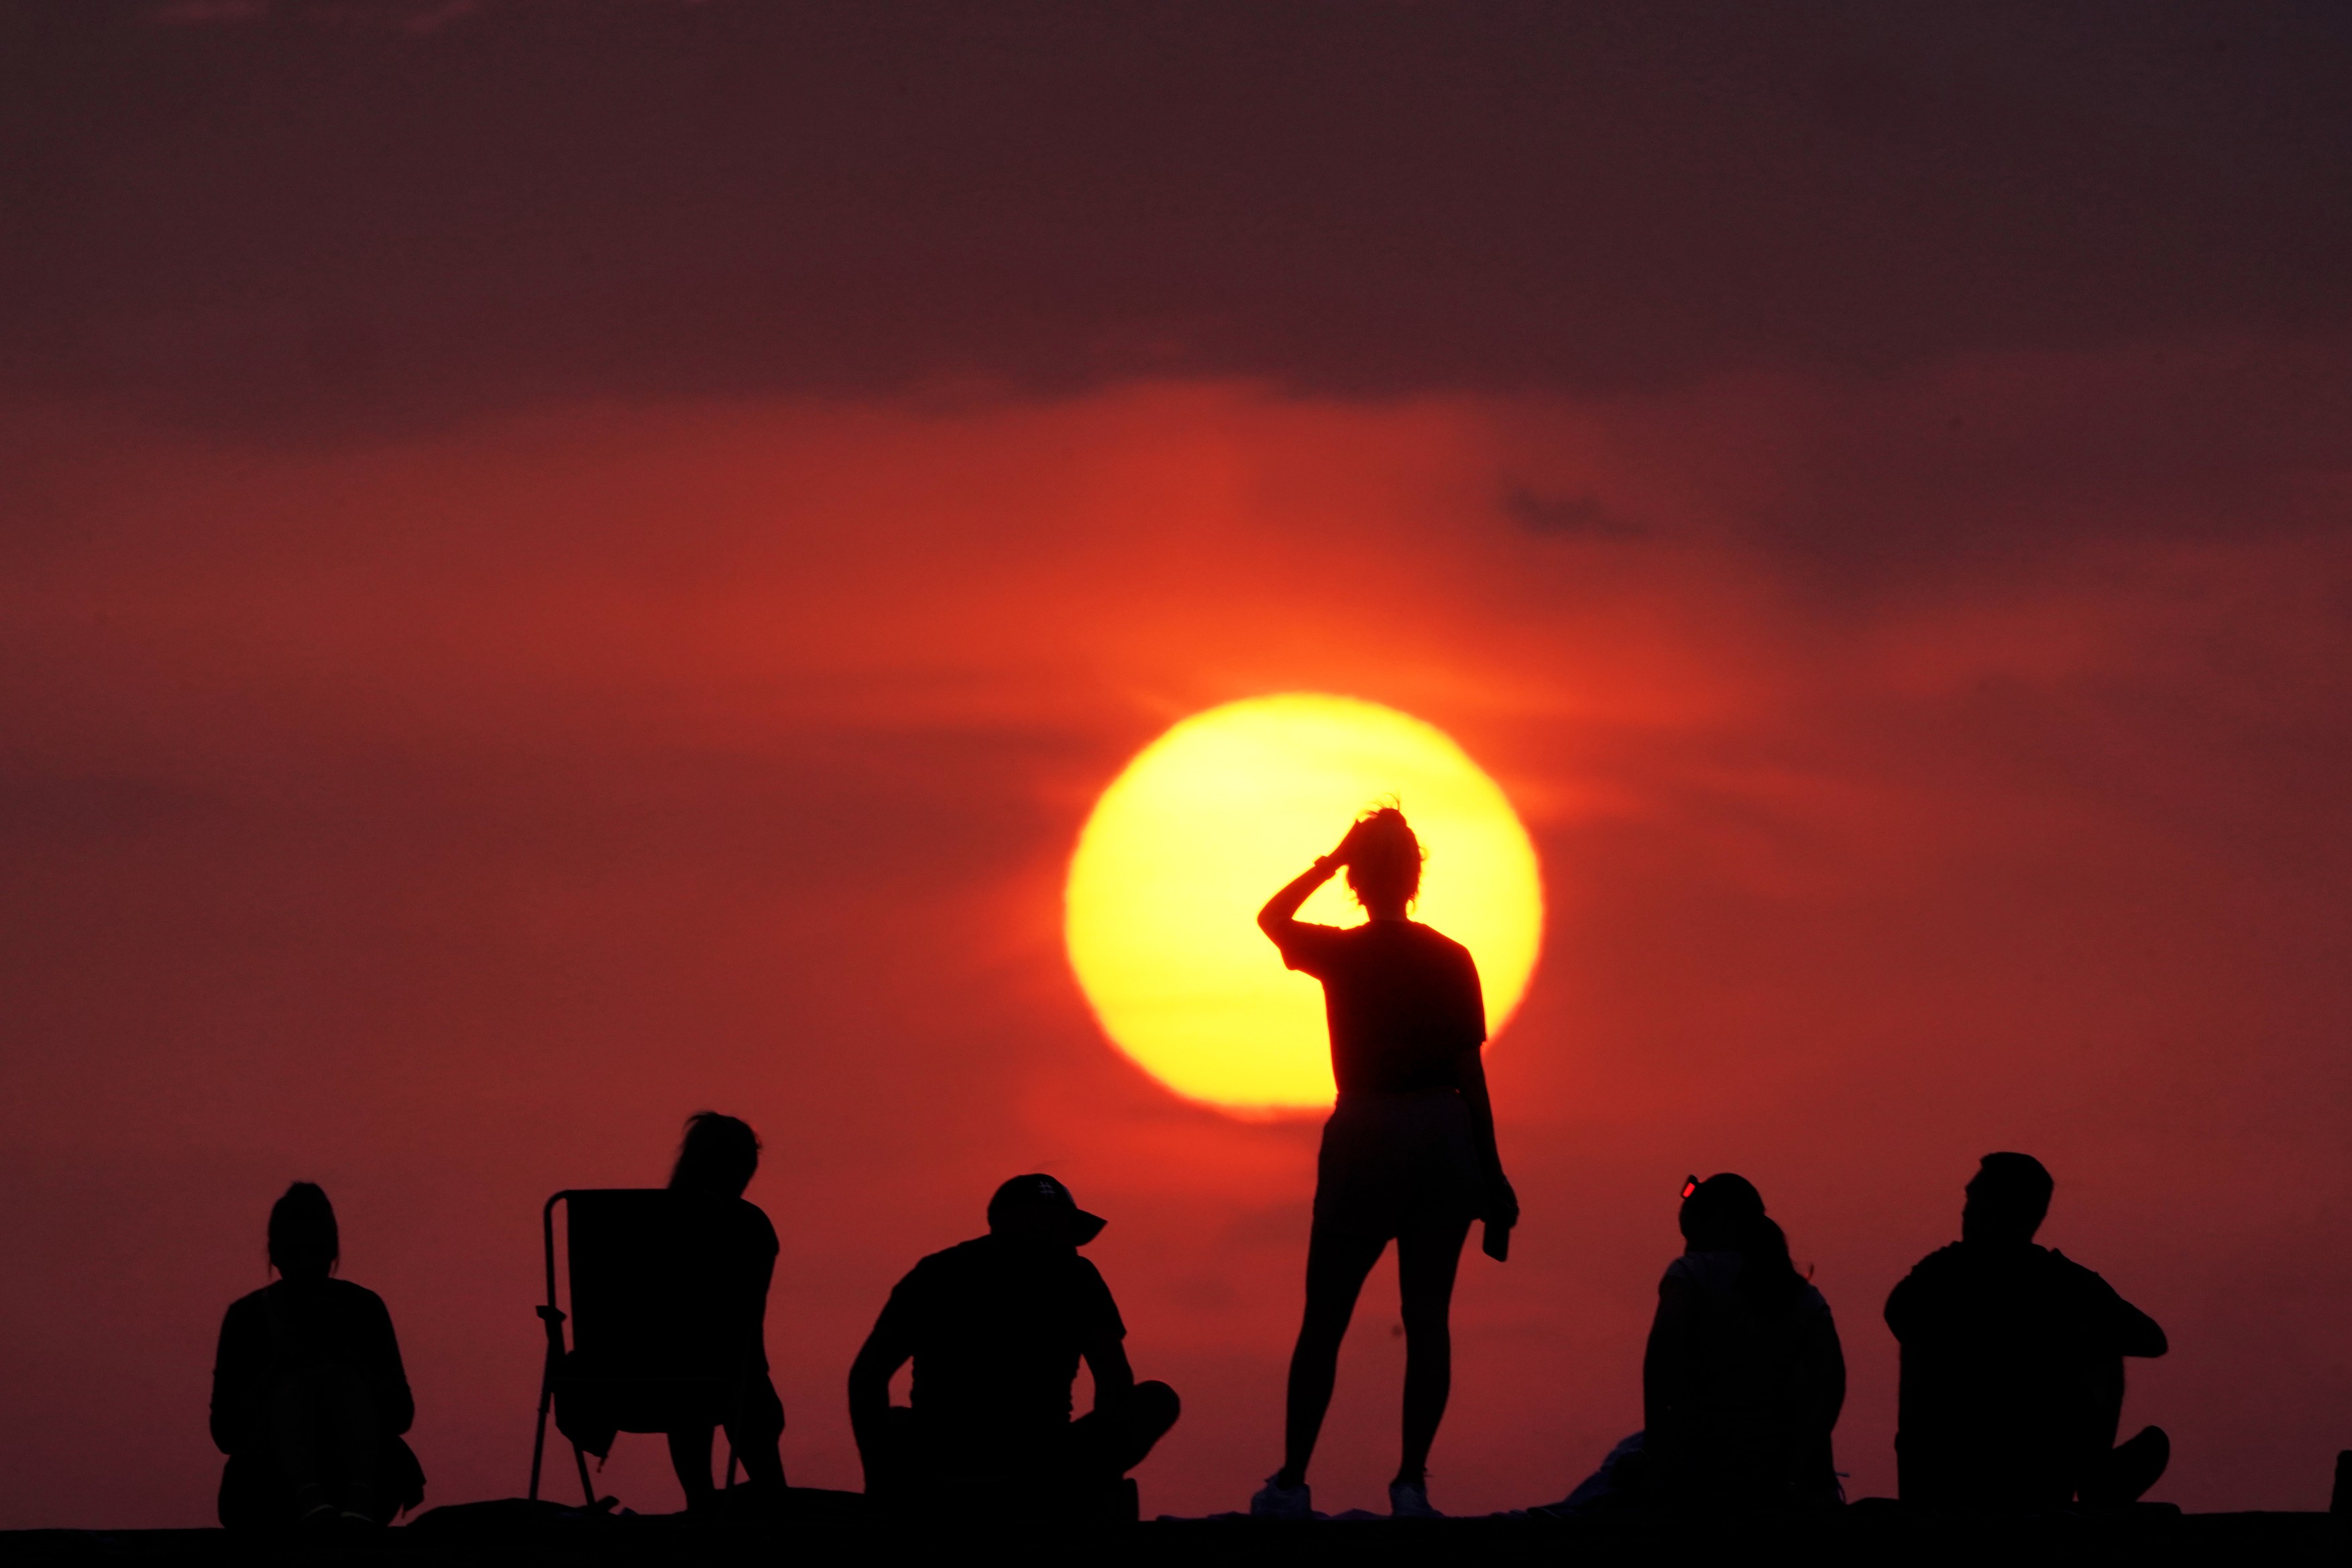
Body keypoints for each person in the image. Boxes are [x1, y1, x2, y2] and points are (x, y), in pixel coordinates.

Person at [1249, 805, 1517, 1520]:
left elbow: (1270, 918)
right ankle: (1410, 1483)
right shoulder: (1451, 956)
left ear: (1360, 879)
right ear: (1417, 875)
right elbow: (1472, 1074)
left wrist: (1327, 862)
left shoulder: (1343, 951)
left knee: (1325, 1318)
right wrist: (1493, 1172)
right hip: (1443, 1130)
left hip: (1368, 1127)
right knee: (1427, 1317)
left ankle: (1292, 1482)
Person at [848, 1174, 1180, 1519]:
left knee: (896, 1421)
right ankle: (1075, 1498)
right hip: (1038, 1470)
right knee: (1158, 1399)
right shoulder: (1076, 1276)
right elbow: (1114, 1381)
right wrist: (1104, 1477)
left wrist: (879, 1478)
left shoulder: (936, 1271)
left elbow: (867, 1377)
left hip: (937, 1463)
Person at [1885, 1152, 2170, 1511]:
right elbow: (2150, 1339)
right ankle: (2093, 1475)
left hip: (1942, 1475)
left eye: (1972, 1199)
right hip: (2028, 1470)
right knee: (2104, 1342)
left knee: (2104, 1336)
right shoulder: (2066, 1282)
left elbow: (1895, 1315)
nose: (1964, 1210)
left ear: (1994, 1207)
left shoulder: (1938, 1274)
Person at [209, 1182, 425, 1530]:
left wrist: (347, 1356)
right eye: (294, 1254)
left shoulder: (364, 1308)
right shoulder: (247, 1317)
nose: (306, 1266)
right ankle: (311, 1499)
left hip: (365, 1485)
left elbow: (401, 1414)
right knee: (297, 1382)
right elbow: (225, 1433)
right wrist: (281, 1365)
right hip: (266, 1487)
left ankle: (355, 1497)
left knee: (341, 1379)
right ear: (275, 1254)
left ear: (333, 1252)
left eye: (316, 1253)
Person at [1639, 1174, 1845, 1513]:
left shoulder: (1692, 1274)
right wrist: (1798, 1469)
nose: (1687, 1247)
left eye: (1691, 1235)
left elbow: (1660, 1363)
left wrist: (1654, 1453)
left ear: (1718, 1222)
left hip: (1702, 1468)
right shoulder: (1804, 1297)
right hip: (1779, 1471)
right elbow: (1831, 1386)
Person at [657, 1112, 788, 1511]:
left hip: (631, 1376)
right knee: (739, 1382)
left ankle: (699, 1497)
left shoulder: (641, 1221)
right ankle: (771, 1497)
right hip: (722, 1372)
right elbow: (747, 1318)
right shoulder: (748, 1224)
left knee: (686, 1381)